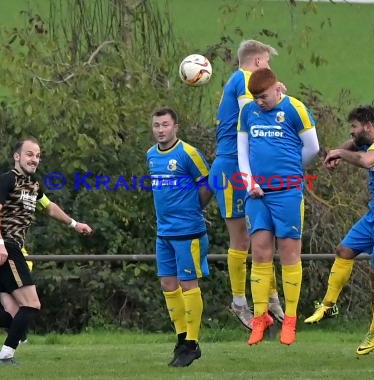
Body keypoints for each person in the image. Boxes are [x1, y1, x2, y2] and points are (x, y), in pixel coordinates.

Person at [0, 137, 93, 365]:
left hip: (3, 251)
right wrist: (1, 243)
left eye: (37, 156)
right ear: (17, 156)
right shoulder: (6, 181)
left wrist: (75, 224)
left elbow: (50, 207)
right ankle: (5, 357)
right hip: (8, 249)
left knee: (14, 315)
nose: (34, 159)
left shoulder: (34, 186)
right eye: (29, 154)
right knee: (32, 305)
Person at [304, 105, 374, 356]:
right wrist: (336, 152)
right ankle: (329, 305)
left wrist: (340, 152)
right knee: (343, 250)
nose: (352, 133)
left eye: (354, 127)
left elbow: (366, 161)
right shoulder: (367, 139)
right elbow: (354, 145)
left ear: (367, 125)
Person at [237, 68, 320, 345]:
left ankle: (291, 320)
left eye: (263, 97)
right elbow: (242, 150)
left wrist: (291, 173)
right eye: (255, 97)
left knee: (289, 254)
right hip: (257, 194)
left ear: (277, 89)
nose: (260, 102)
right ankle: (260, 318)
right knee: (259, 253)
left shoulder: (295, 108)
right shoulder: (248, 112)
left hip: (287, 193)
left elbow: (313, 148)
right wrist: (249, 182)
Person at [209, 39, 285, 329]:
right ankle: (240, 302)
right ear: (256, 62)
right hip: (231, 167)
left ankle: (271, 298)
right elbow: (253, 117)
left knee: (262, 237)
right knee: (241, 238)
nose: (269, 71)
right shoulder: (243, 80)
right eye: (266, 63)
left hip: (246, 166)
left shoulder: (239, 80)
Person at [147, 107, 212, 367]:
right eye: (156, 125)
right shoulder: (151, 155)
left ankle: (192, 343)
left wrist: (194, 208)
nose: (160, 130)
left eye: (165, 125)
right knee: (167, 285)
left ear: (176, 127)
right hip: (164, 232)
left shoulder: (188, 153)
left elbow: (208, 184)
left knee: (189, 286)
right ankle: (182, 338)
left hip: (188, 232)